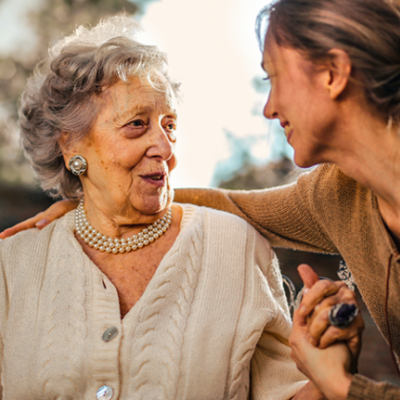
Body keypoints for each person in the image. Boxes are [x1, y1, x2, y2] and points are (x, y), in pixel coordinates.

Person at [9, 0, 400, 398]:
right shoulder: (333, 196)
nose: (268, 108)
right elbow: (238, 205)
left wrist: (338, 384)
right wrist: (93, 203)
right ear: (71, 143)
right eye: (137, 124)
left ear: (334, 74)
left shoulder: (237, 247)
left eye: (274, 78)